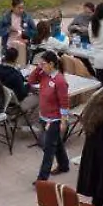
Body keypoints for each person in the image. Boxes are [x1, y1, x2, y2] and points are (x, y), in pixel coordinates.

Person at [34, 51, 73, 181]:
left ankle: (42, 178)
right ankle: (64, 164)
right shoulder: (43, 75)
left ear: (51, 64)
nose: (41, 66)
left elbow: (64, 102)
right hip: (44, 115)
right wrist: (38, 68)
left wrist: (63, 121)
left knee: (49, 148)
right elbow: (31, 80)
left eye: (43, 64)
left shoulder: (60, 81)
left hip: (54, 118)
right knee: (57, 143)